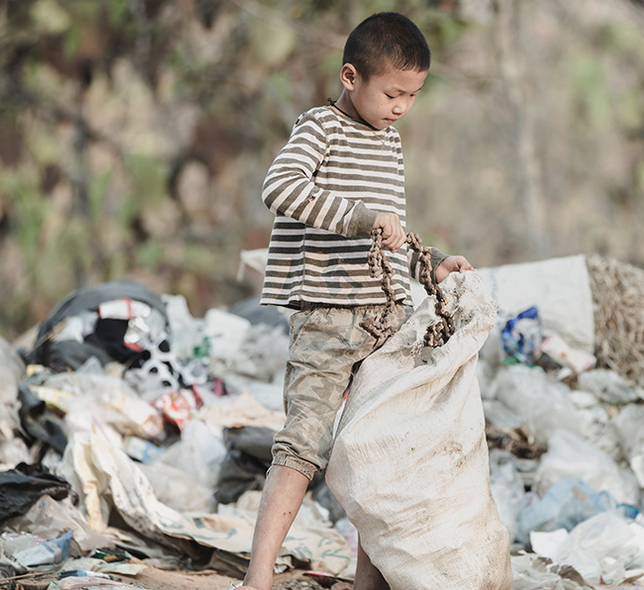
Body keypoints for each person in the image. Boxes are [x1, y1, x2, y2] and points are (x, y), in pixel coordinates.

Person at [241, 12, 473, 590]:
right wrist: (363, 218)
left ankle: (369, 582)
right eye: (392, 93)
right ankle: (258, 578)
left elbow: (390, 237)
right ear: (351, 76)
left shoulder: (389, 142)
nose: (402, 107)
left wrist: (430, 262)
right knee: (303, 444)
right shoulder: (320, 127)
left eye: (413, 95)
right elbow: (281, 186)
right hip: (327, 315)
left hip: (386, 318)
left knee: (381, 452)